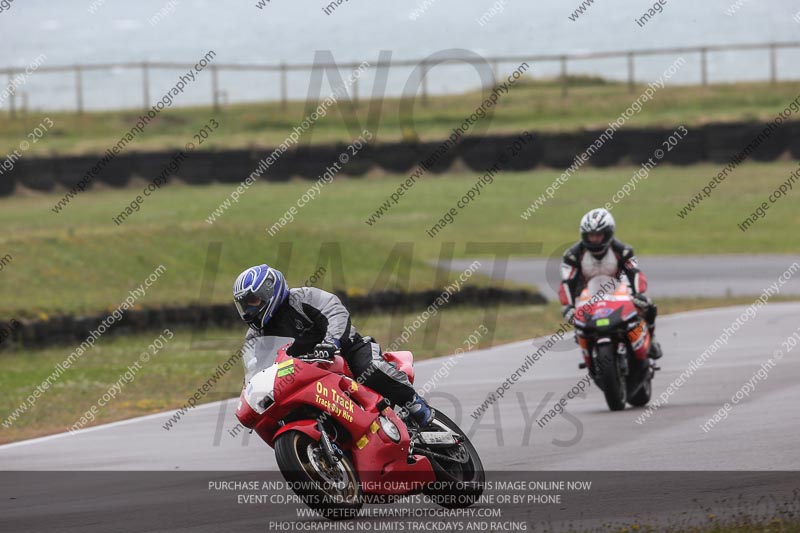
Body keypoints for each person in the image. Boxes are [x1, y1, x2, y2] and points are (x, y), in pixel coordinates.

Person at [233, 264, 434, 425]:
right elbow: (254, 370)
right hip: (305, 377)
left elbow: (335, 311)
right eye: (244, 304)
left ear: (269, 291)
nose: (249, 309)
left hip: (345, 352)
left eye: (253, 300)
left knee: (370, 369)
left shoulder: (303, 298)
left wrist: (331, 342)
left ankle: (415, 403)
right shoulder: (255, 336)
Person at [559, 208, 663, 360]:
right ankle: (588, 351)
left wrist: (637, 294)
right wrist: (568, 306)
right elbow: (567, 282)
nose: (594, 239)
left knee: (648, 306)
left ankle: (651, 340)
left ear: (608, 233)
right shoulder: (572, 256)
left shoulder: (624, 250)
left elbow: (634, 273)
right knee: (578, 325)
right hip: (587, 296)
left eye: (598, 235)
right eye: (590, 235)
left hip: (619, 292)